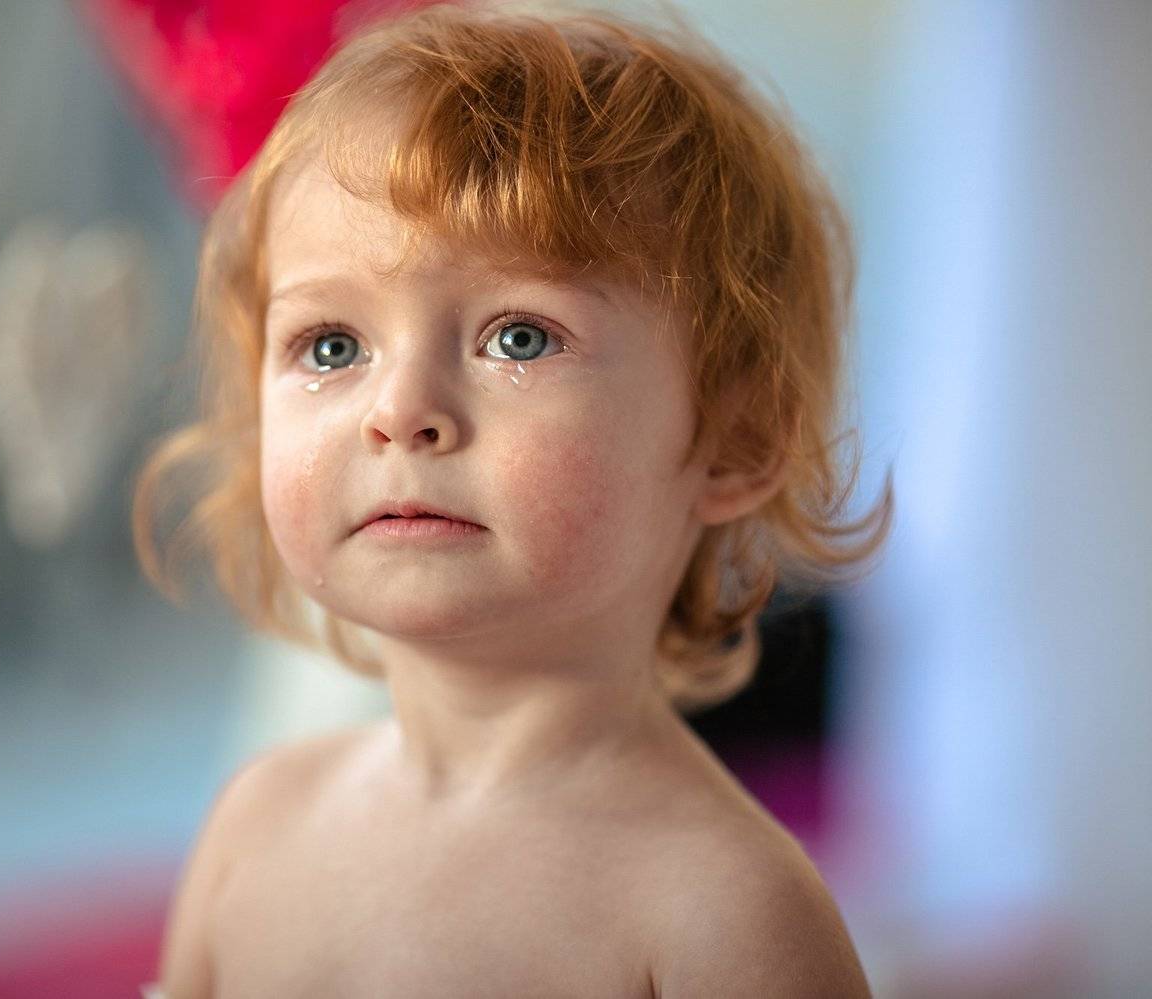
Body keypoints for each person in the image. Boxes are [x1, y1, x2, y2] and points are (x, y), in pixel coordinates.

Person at [131, 1, 893, 994]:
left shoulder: (725, 914)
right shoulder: (255, 828)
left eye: (519, 338)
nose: (400, 411)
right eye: (332, 346)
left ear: (733, 441)